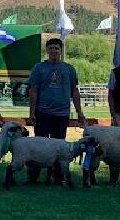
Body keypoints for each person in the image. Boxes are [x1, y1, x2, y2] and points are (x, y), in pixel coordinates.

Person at [27, 38, 86, 184]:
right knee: (39, 147)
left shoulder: (69, 69)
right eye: (51, 48)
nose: (54, 51)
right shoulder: (38, 68)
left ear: (61, 50)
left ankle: (57, 177)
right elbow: (33, 91)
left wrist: (79, 112)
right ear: (47, 50)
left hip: (61, 114)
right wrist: (32, 113)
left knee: (59, 147)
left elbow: (74, 91)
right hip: (43, 113)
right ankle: (33, 177)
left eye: (57, 48)